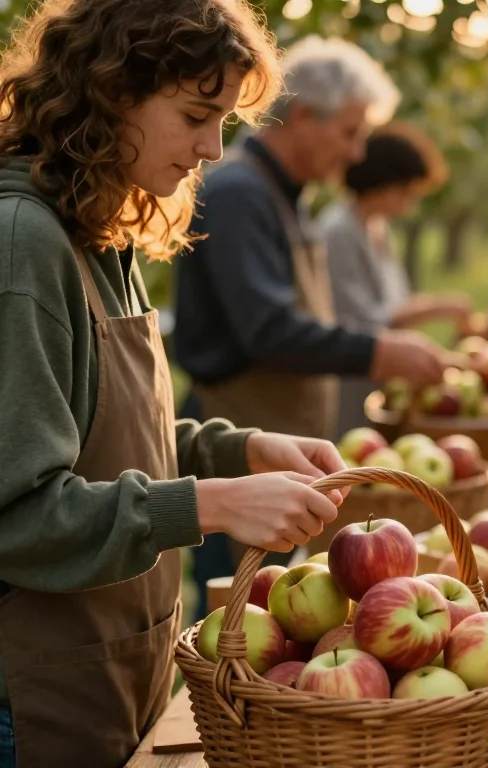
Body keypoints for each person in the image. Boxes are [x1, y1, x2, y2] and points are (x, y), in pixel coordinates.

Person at [0, 2, 353, 766]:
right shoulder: (23, 246)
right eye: (197, 114)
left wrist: (243, 450)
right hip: (26, 700)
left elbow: (107, 435)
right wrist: (216, 505)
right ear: (111, 91)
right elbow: (18, 512)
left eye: (222, 120)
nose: (212, 149)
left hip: (107, 673)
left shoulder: (93, 230)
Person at [173, 35, 449, 444]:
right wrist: (379, 352)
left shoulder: (285, 195)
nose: (357, 154)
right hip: (232, 437)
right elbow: (268, 330)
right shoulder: (239, 193)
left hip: (272, 434)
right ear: (303, 117)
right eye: (350, 133)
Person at [319, 122, 470, 434]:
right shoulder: (338, 233)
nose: (410, 201)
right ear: (382, 184)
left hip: (378, 380)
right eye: (406, 191)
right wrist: (437, 307)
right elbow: (357, 318)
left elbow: (394, 303)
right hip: (346, 383)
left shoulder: (378, 228)